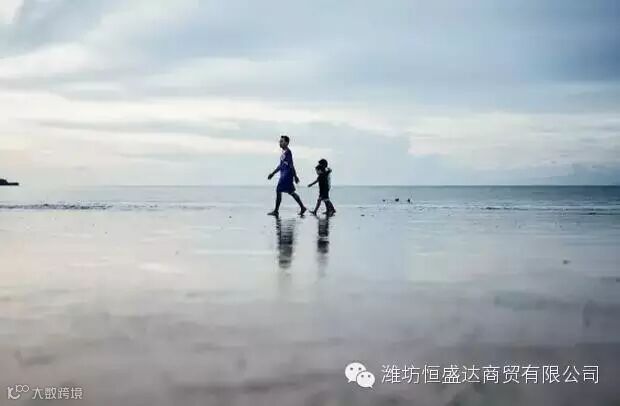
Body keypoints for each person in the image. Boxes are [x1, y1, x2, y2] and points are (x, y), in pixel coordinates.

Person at [267, 135, 307, 216]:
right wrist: (273, 173)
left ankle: (276, 211)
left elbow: (291, 165)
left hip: (286, 175)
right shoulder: (284, 152)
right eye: (280, 141)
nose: (280, 143)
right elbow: (281, 165)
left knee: (278, 190)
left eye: (282, 141)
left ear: (287, 142)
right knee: (291, 192)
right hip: (285, 174)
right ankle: (302, 207)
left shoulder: (288, 152)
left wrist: (295, 176)